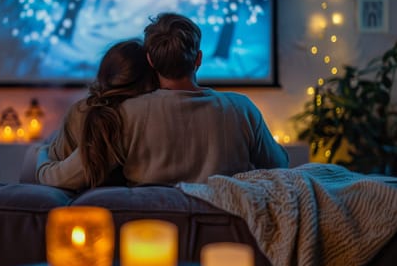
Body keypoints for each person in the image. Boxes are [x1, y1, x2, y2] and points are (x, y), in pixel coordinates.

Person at [37, 12, 288, 190]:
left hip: (147, 238)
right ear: (198, 58)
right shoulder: (241, 109)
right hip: (225, 239)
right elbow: (280, 166)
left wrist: (41, 156)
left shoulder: (125, 114)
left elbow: (59, 177)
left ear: (151, 61)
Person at [34, 38, 158, 189]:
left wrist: (42, 152)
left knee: (41, 148)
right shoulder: (141, 113)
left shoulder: (88, 112)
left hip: (51, 156)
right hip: (54, 155)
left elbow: (55, 176)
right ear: (150, 79)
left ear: (104, 75)